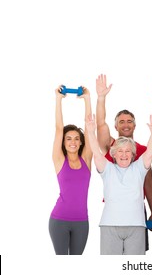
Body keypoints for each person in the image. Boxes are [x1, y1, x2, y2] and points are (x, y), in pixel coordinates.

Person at [95, 74, 152, 251]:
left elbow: (150, 184)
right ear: (116, 126)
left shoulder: (144, 150)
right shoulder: (110, 145)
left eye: (129, 121)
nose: (126, 124)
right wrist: (101, 98)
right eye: (121, 122)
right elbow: (100, 124)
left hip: (136, 211)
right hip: (114, 214)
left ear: (135, 126)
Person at [85, 108, 152, 255]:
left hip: (136, 225)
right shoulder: (107, 169)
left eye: (128, 151)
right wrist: (90, 132)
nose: (124, 155)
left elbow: (150, 152)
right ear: (114, 153)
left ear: (133, 155)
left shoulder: (139, 168)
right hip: (110, 225)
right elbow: (95, 151)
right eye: (120, 151)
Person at [49, 85, 93, 255]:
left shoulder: (86, 160)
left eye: (76, 138)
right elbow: (59, 128)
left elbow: (89, 128)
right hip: (59, 220)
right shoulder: (59, 160)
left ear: (81, 142)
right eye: (68, 139)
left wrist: (87, 99)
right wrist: (58, 99)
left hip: (82, 222)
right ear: (63, 142)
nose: (73, 142)